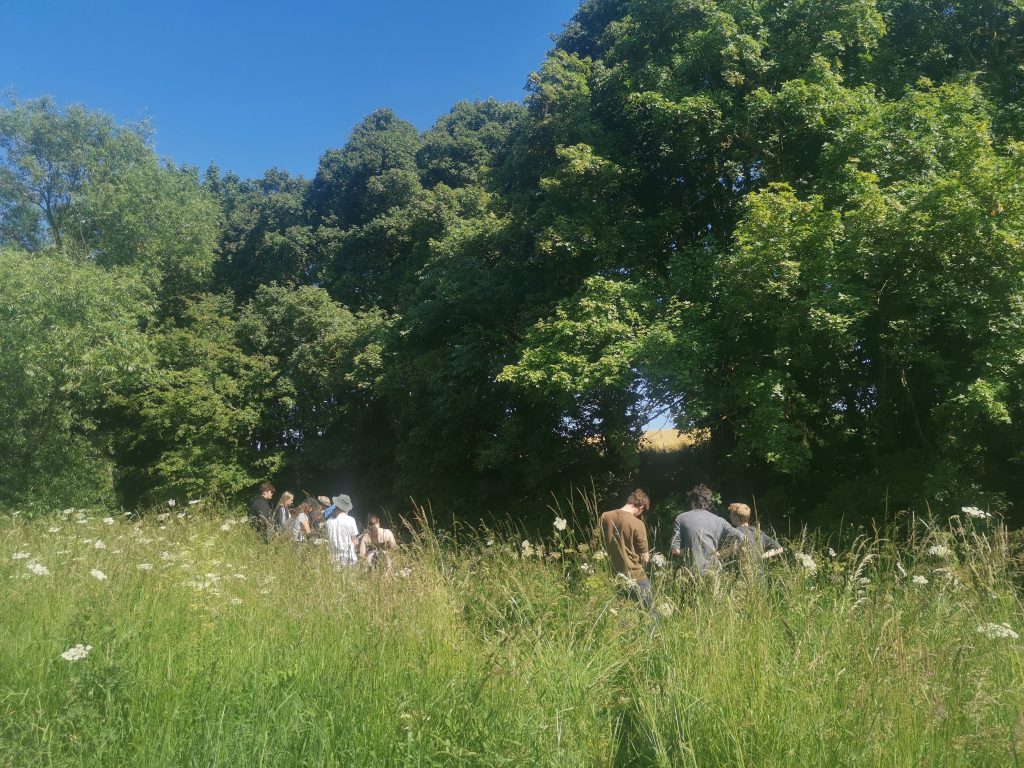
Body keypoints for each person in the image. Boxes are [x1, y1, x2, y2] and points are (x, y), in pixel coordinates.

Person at [595, 489, 653, 610]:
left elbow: (594, 543)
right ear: (641, 506)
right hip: (635, 575)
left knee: (623, 614)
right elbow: (645, 557)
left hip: (614, 575)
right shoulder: (638, 523)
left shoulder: (605, 516)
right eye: (642, 511)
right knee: (650, 611)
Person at [670, 484, 745, 574]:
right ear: (708, 503)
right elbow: (743, 538)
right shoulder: (719, 521)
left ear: (693, 501)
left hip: (692, 573)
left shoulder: (681, 518)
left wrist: (691, 552)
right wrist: (722, 554)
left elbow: (675, 550)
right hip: (714, 572)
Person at [326, 494, 359, 566]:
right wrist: (354, 544)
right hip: (349, 558)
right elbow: (354, 540)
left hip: (333, 559)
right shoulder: (351, 520)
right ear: (347, 508)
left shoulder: (328, 521)